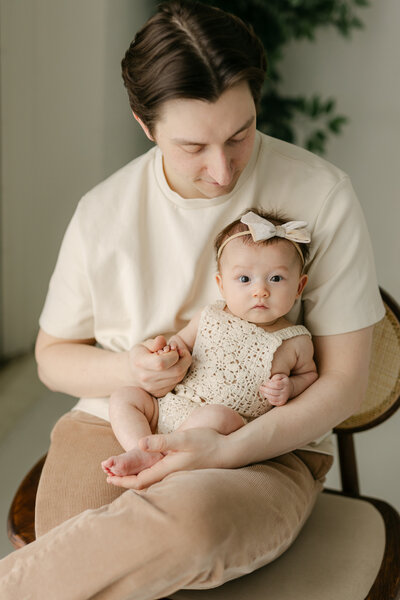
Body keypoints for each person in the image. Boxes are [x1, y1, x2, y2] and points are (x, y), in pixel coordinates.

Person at [0, 1, 384, 598]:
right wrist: (133, 369)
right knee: (82, 541)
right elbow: (53, 355)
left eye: (240, 134)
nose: (224, 171)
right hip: (115, 421)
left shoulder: (321, 193)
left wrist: (227, 450)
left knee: (188, 529)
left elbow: (345, 382)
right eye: (191, 146)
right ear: (144, 122)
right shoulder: (103, 213)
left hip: (264, 439)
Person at [102, 210, 319, 479]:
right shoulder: (209, 316)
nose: (260, 290)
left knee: (216, 415)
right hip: (170, 405)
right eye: (244, 279)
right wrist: (169, 352)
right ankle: (142, 449)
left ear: (299, 287)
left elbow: (309, 375)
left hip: (222, 428)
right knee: (124, 397)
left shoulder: (296, 340)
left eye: (276, 278)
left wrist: (290, 387)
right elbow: (180, 342)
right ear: (221, 285)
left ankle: (163, 455)